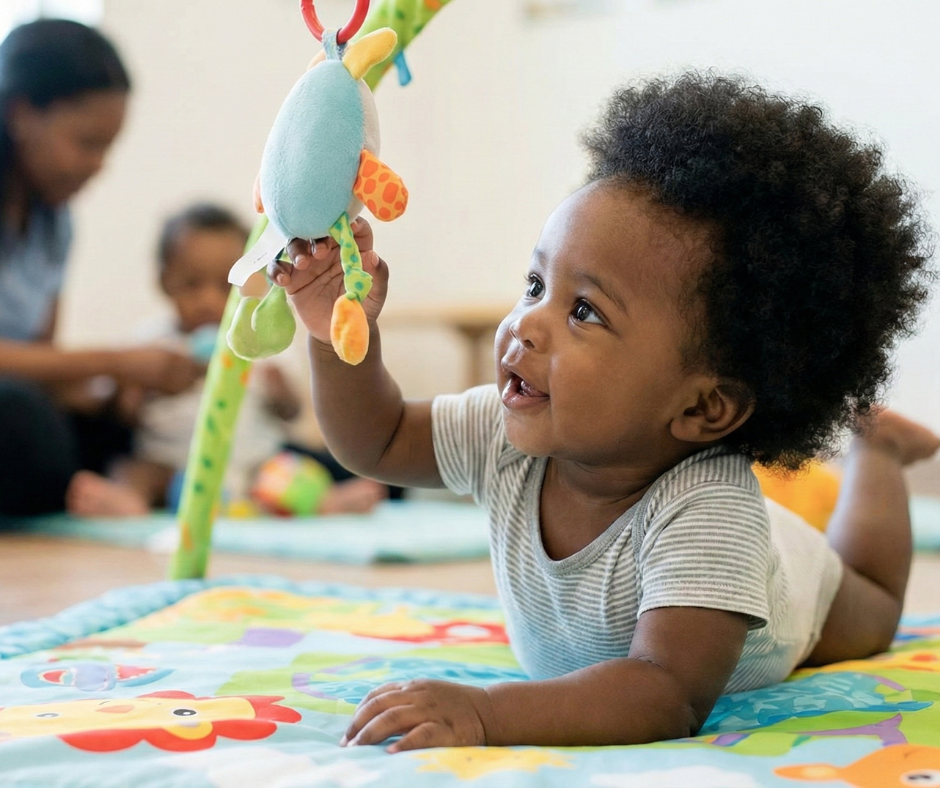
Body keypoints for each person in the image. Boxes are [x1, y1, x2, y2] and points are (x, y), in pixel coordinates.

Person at [269, 72, 939, 750]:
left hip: (792, 587)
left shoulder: (708, 512)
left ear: (705, 405)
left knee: (874, 610)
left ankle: (878, 450)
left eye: (583, 310)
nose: (527, 324)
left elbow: (662, 692)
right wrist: (337, 337)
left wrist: (486, 713)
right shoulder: (507, 430)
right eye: (535, 284)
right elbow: (375, 442)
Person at [0, 19, 203, 517]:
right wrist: (115, 361)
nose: (99, 165)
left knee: (130, 430)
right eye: (88, 143)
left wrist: (117, 393)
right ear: (22, 113)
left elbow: (42, 360)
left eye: (107, 148)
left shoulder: (55, 225)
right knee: (24, 424)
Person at [66, 202, 389, 517]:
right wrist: (133, 397)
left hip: (254, 462)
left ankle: (322, 502)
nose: (208, 300)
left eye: (224, 285)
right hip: (173, 463)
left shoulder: (258, 335)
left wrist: (280, 391)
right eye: (192, 285)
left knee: (290, 471)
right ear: (166, 282)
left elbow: (292, 412)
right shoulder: (150, 342)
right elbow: (125, 418)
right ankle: (129, 499)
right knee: (132, 468)